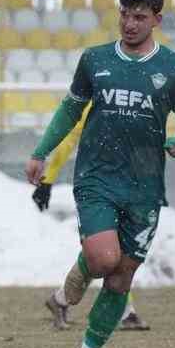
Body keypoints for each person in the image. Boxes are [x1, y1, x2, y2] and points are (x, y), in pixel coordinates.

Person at [25, 0, 175, 348]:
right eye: (125, 14)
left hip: (145, 185)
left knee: (121, 277)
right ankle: (75, 281)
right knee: (104, 260)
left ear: (156, 20)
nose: (130, 23)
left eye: (139, 16)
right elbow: (70, 111)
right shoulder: (95, 60)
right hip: (97, 177)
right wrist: (41, 152)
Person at [33, 106, 150, 333]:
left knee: (114, 251)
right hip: (95, 188)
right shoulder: (97, 102)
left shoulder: (135, 103)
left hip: (125, 185)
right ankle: (125, 312)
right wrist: (47, 180)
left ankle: (61, 300)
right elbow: (69, 139)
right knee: (106, 251)